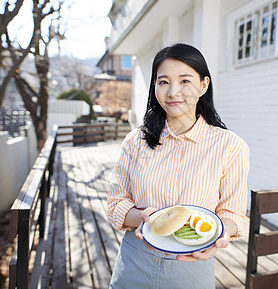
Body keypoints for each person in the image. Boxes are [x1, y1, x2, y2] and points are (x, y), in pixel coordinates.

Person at [107, 43, 250, 288]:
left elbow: (232, 214)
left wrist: (218, 236)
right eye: (163, 82)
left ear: (203, 85)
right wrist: (142, 218)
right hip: (135, 259)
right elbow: (116, 204)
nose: (173, 92)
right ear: (155, 87)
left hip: (192, 264)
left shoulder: (230, 146)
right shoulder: (135, 141)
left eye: (185, 81)